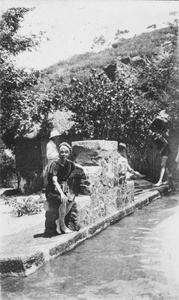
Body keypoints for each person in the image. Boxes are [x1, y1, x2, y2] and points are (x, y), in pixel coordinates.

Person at [45, 142, 83, 234]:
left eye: (66, 152)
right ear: (59, 153)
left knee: (71, 199)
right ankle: (62, 225)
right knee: (63, 200)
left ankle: (58, 220)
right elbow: (54, 181)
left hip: (63, 189)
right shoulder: (54, 164)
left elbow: (79, 169)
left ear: (69, 153)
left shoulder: (70, 164)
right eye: (62, 152)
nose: (64, 154)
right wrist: (62, 193)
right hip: (52, 191)